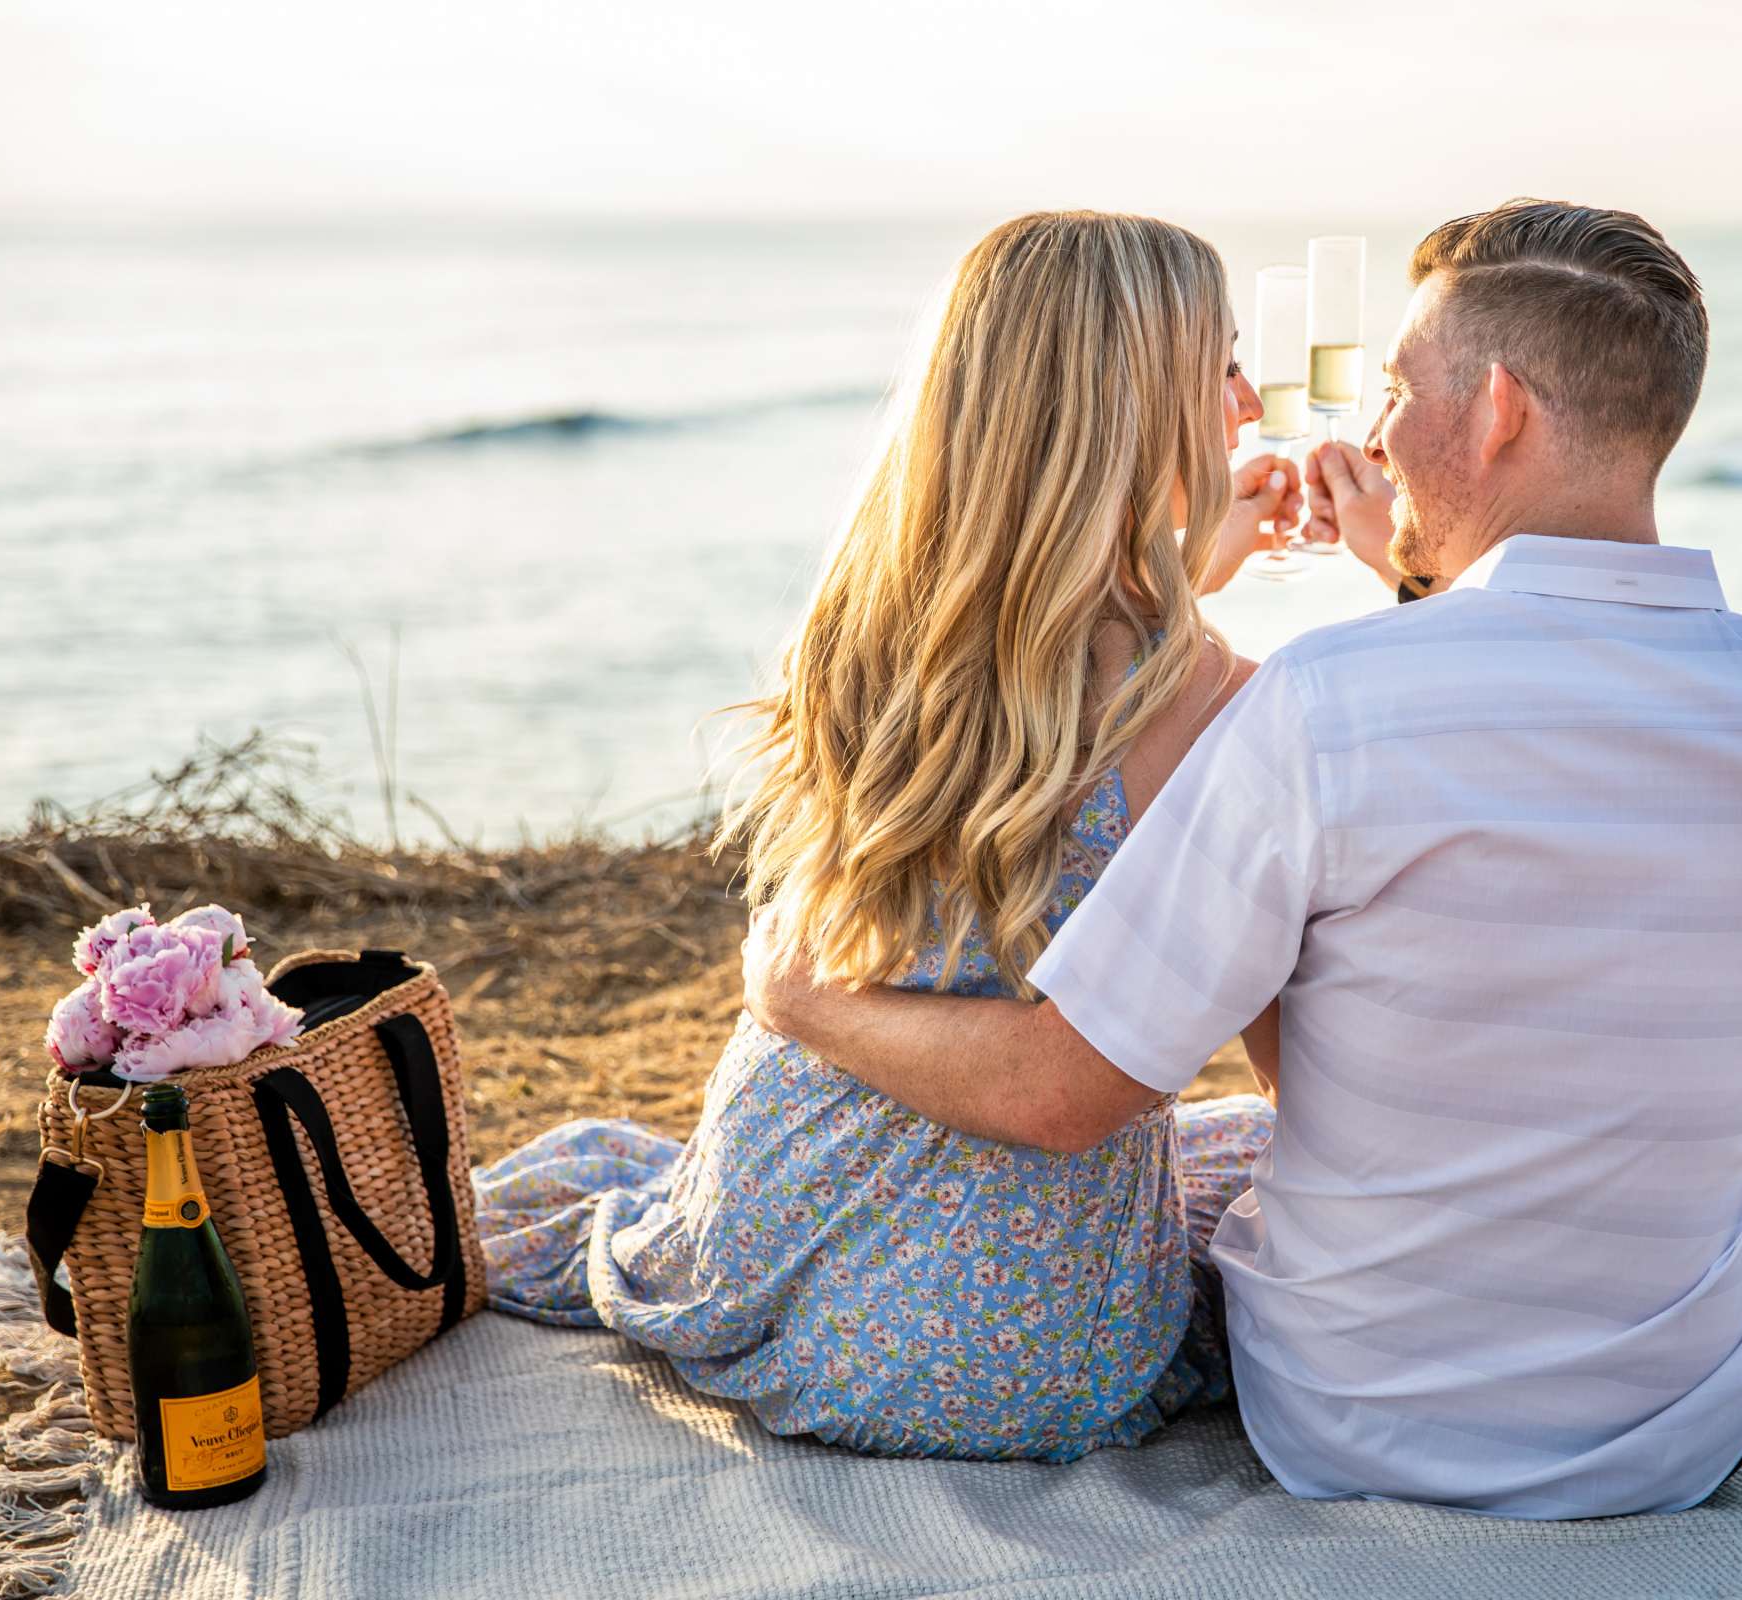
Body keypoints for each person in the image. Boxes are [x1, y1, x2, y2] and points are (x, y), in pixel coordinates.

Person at [744, 200, 1742, 1518]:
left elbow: (1081, 1092)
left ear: (1499, 409)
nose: (1373, 435)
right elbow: (1558, 756)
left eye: (1399, 390)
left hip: (1365, 1419)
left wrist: (800, 998)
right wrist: (1424, 596)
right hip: (1686, 1428)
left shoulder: (1325, 706)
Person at [472, 210, 1308, 1462]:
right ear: (1140, 408)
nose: (1247, 403)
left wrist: (801, 1005)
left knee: (606, 1164)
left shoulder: (871, 623)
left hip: (768, 1254)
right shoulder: (1217, 708)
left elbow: (1058, 682)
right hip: (1019, 1353)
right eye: (1222, 364)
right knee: (1250, 1154)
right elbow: (1281, 1067)